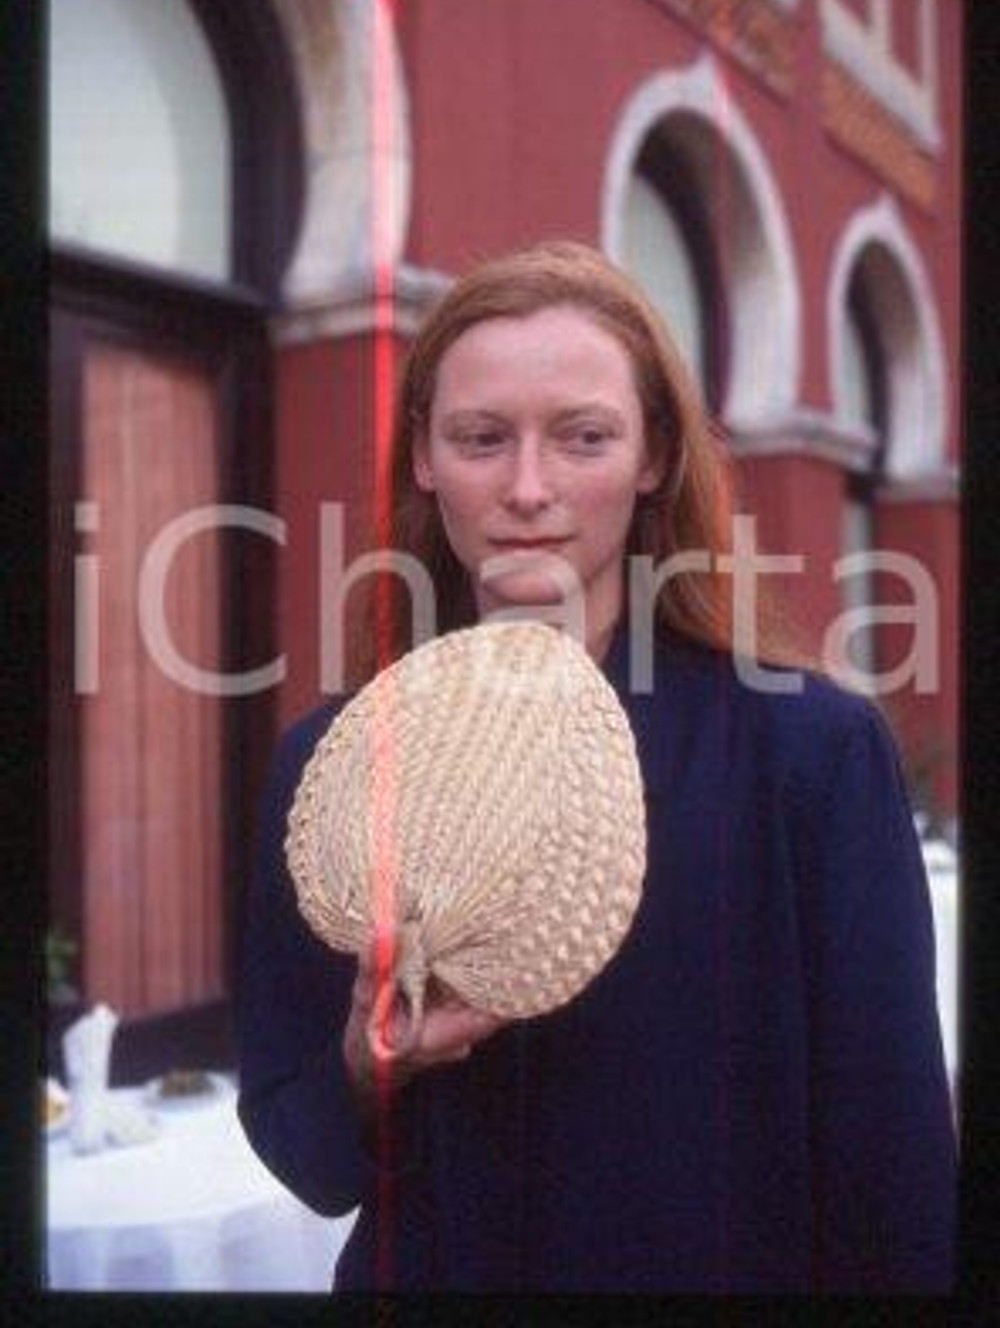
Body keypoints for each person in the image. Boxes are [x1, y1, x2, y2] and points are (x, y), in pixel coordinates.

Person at [236, 241, 956, 1293]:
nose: (528, 488)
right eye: (482, 438)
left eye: (583, 437)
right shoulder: (331, 764)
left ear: (654, 454)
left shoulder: (812, 752)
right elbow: (306, 1157)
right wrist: (365, 1065)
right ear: (425, 457)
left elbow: (896, 1170)